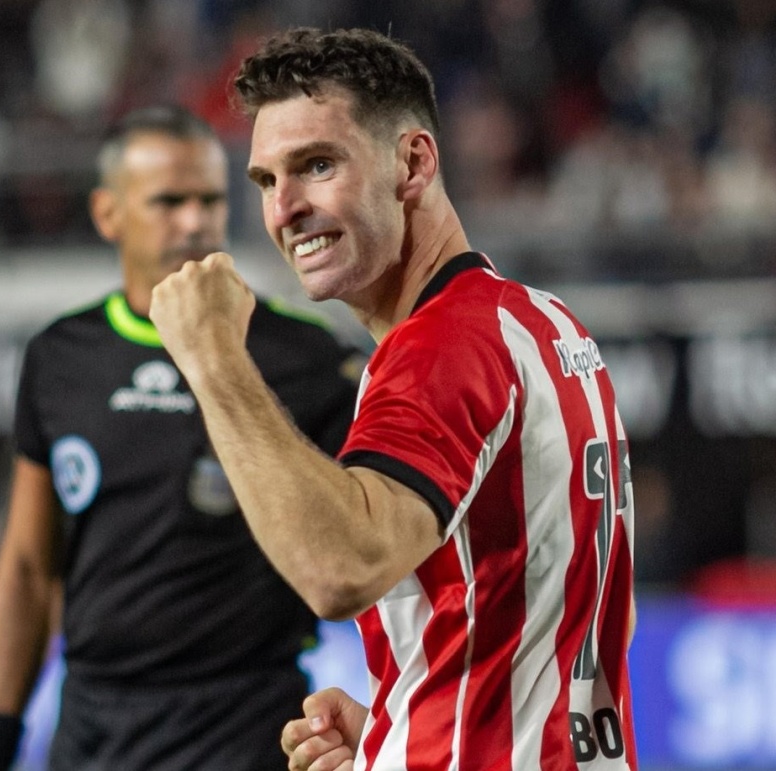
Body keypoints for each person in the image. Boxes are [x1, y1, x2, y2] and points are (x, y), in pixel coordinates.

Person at [149, 28, 638, 770]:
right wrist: (397, 723)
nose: (285, 209)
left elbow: (338, 567)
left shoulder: (441, 346)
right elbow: (556, 611)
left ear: (413, 164)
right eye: (267, 181)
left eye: (317, 165)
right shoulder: (544, 322)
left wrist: (213, 358)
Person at [0, 104, 363, 771]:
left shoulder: (309, 357)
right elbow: (29, 567)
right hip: (95, 729)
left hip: (247, 725)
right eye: (168, 201)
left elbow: (363, 551)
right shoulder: (60, 356)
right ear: (107, 214)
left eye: (210, 199)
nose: (194, 222)